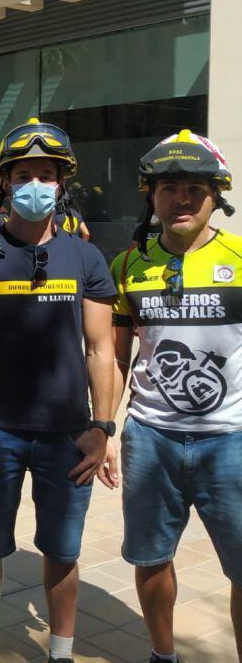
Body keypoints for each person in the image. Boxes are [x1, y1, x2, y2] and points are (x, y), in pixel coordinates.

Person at [0, 119, 117, 663]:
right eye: (24, 175)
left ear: (62, 183)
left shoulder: (86, 259)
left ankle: (59, 654)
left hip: (68, 438)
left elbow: (101, 350)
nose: (36, 185)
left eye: (46, 175)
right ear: (5, 184)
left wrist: (102, 429)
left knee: (63, 552)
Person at [111, 130, 242, 663]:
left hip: (230, 442)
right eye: (168, 186)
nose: (181, 198)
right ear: (151, 195)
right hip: (151, 440)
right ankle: (163, 655)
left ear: (217, 195)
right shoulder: (128, 266)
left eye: (194, 187)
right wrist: (101, 430)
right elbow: (116, 359)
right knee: (150, 557)